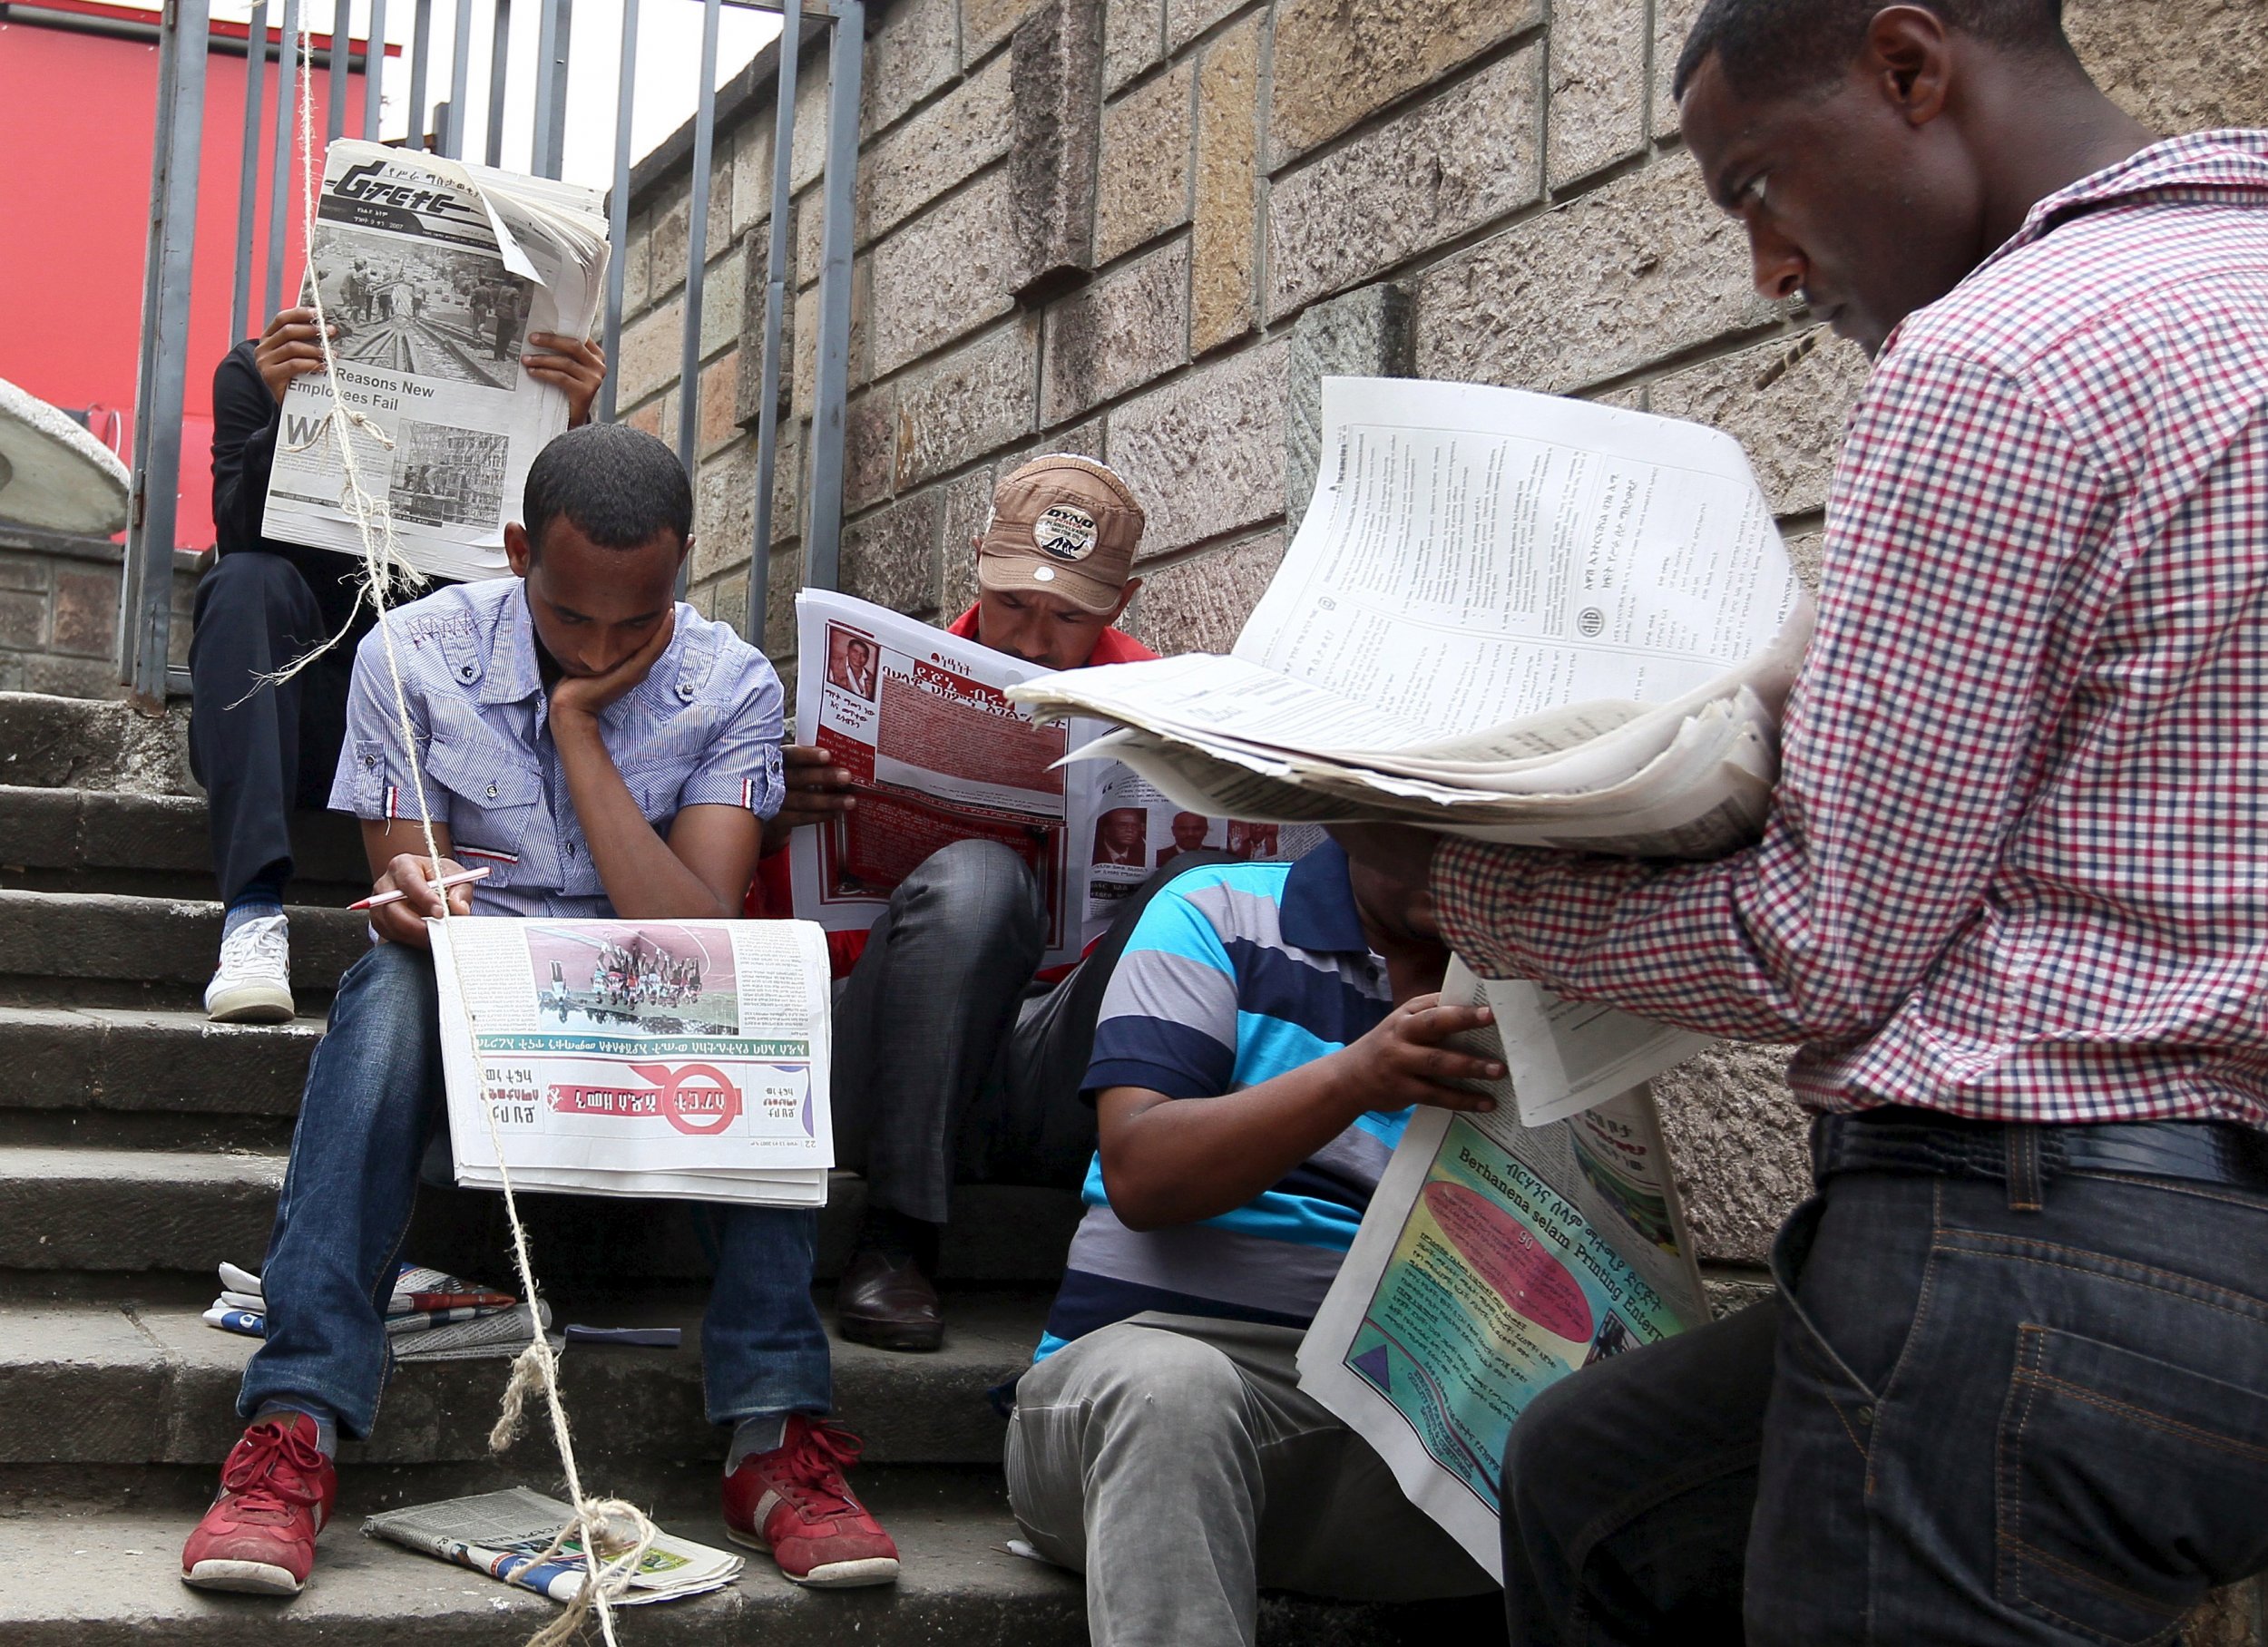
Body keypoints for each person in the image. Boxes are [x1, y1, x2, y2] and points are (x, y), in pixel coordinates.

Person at [1334, 4, 2268, 1641]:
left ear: (1912, 69)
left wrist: (1464, 879)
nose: (1773, 266)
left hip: (2033, 1260)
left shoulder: (1993, 360)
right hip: (2217, 1278)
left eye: (1758, 183)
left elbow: (1819, 941)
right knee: (1596, 1486)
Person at [179, 424, 901, 1598]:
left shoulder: (729, 683)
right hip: (483, 1064)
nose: (604, 646)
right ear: (518, 553)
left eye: (638, 622)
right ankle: (293, 1425)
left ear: (683, 571)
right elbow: (406, 883)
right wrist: (416, 898)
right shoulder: (413, 657)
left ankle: (777, 1434)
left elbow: (696, 929)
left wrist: (577, 732)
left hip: (661, 1053)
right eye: (573, 619)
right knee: (391, 989)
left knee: (761, 981)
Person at [756, 453, 1205, 1354]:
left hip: (1055, 1069)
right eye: (1014, 606)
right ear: (976, 567)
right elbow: (781, 944)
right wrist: (774, 822)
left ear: (1121, 602)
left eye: (1069, 616)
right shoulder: (884, 682)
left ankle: (1142, 1234)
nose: (1033, 642)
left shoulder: (1164, 706)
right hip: (887, 1057)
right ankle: (898, 1239)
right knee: (978, 881)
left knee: (1187, 895)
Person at [1002, 841, 1501, 1644]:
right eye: (1430, 831)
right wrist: (1353, 1079)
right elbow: (1143, 1174)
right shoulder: (1218, 911)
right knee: (1173, 1388)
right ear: (1355, 807)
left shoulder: (1530, 980)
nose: (1470, 860)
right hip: (1148, 1423)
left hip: (1404, 1441)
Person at [191, 306, 607, 1023]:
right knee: (242, 583)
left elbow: (545, 571)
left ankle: (432, 897)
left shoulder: (520, 387)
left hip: (439, 721)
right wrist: (287, 416)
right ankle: (253, 916)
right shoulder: (258, 368)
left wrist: (566, 429)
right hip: (299, 718)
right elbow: (235, 534)